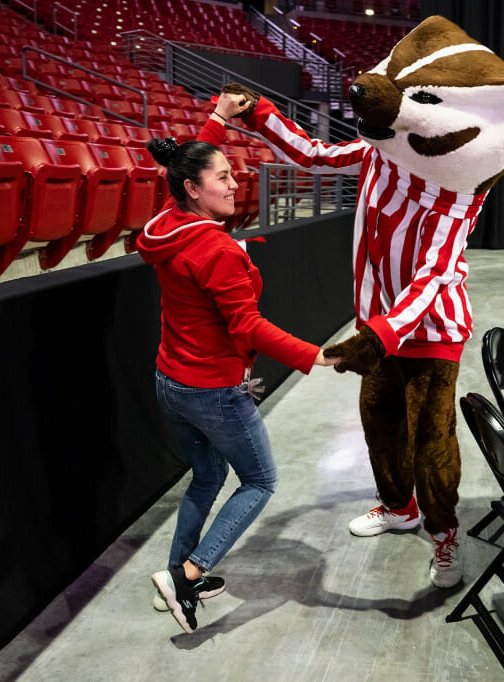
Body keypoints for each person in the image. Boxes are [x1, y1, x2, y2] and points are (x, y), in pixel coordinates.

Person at [137, 129, 336, 633]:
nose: (234, 183)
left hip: (171, 381)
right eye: (222, 177)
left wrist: (218, 120)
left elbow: (182, 165)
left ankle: (173, 580)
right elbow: (246, 326)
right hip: (212, 391)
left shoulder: (165, 225)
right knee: (261, 481)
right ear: (192, 189)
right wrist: (316, 355)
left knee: (206, 477)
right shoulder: (217, 250)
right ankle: (187, 574)